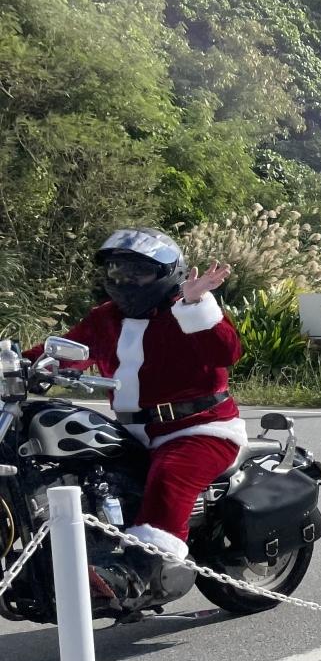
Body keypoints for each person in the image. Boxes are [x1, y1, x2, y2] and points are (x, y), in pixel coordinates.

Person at [28, 228, 245, 608]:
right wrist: (21, 364)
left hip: (200, 428)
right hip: (131, 429)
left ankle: (138, 572)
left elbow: (226, 353)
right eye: (117, 270)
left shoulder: (187, 308)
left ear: (166, 273)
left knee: (169, 476)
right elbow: (67, 352)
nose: (125, 281)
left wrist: (196, 304)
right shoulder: (105, 318)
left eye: (138, 272)